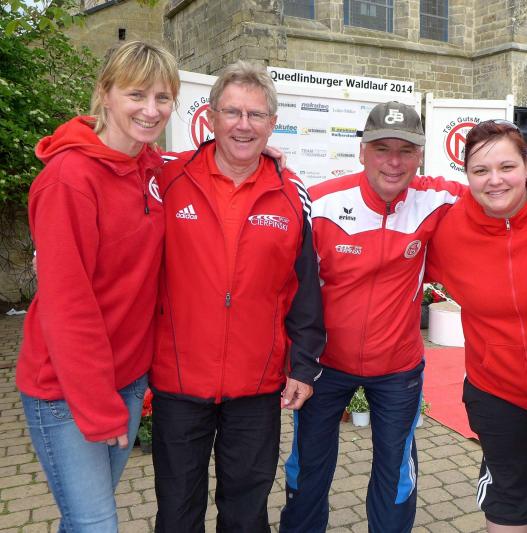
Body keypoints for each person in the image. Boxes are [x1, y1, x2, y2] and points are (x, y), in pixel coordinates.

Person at [149, 60, 325, 532]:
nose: (243, 125)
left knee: (246, 515)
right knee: (177, 514)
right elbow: (112, 148)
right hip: (179, 381)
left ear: (272, 123)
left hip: (256, 386)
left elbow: (305, 289)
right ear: (210, 117)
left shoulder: (292, 193)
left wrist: (303, 366)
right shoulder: (168, 178)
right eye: (232, 112)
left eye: (255, 114)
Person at [16, 41, 179, 531]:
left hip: (127, 379)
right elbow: (67, 306)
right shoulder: (69, 180)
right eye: (136, 95)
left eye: (163, 97)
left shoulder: (149, 167)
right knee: (95, 523)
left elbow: (193, 166)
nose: (151, 110)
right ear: (105, 93)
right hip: (67, 391)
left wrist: (254, 154)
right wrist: (97, 406)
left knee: (84, 518)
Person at [279, 101, 464, 533]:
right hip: (325, 366)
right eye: (382, 149)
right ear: (362, 151)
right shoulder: (322, 204)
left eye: (406, 150)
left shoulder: (436, 198)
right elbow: (289, 287)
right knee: (308, 469)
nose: (394, 162)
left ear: (420, 156)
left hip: (397, 368)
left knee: (395, 475)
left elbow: (499, 181)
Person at [425, 120, 527, 532]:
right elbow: (402, 186)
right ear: (466, 175)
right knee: (508, 503)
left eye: (507, 167)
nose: (495, 180)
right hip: (497, 390)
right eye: (480, 170)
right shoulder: (449, 228)